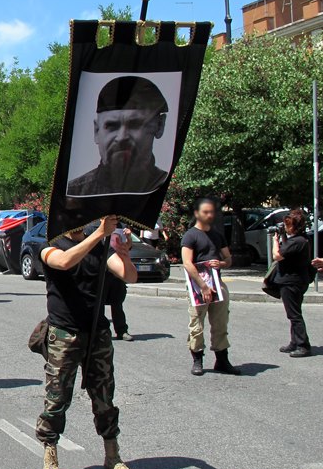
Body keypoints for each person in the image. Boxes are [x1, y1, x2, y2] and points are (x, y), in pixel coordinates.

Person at [36, 216, 138, 469]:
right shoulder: (49, 244)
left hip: (97, 333)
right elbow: (64, 262)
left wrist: (124, 255)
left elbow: (129, 276)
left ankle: (112, 455)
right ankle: (50, 458)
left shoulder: (99, 248)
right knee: (57, 398)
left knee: (104, 395)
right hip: (64, 334)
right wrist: (99, 236)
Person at [67, 76, 170, 197]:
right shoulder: (74, 193)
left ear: (159, 126)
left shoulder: (168, 190)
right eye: (112, 126)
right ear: (96, 131)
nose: (122, 137)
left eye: (134, 124)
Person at [181, 198, 240, 376]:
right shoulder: (190, 235)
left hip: (217, 284)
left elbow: (229, 259)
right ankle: (197, 359)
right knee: (196, 324)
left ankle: (222, 360)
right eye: (206, 212)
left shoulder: (217, 235)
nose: (209, 215)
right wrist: (203, 286)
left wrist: (221, 264)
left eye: (211, 212)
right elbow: (187, 263)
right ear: (197, 214)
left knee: (220, 323)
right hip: (197, 286)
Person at [272, 209, 313, 358]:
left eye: (288, 225)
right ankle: (295, 342)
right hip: (296, 280)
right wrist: (283, 237)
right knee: (293, 313)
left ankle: (303, 345)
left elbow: (277, 255)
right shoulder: (301, 239)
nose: (286, 228)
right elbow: (287, 249)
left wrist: (275, 242)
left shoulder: (297, 241)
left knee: (294, 315)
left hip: (292, 282)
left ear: (295, 226)